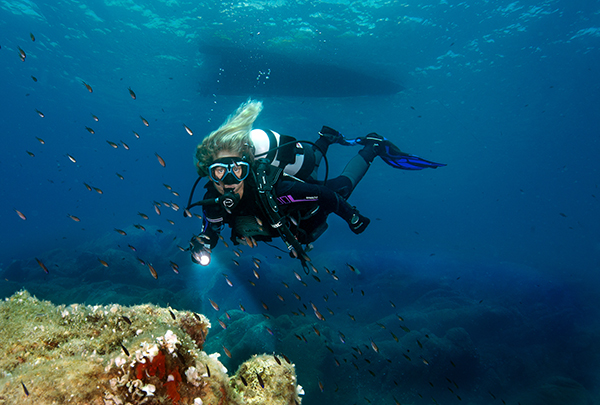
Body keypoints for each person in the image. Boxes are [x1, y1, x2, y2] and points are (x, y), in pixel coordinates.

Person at [187, 99, 445, 269]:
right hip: (286, 216)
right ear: (209, 176)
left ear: (248, 168)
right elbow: (212, 230)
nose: (229, 181)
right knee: (315, 166)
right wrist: (202, 243)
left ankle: (372, 148)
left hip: (305, 207)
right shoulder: (213, 205)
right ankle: (326, 139)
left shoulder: (277, 192)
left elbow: (323, 195)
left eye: (238, 170)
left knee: (341, 186)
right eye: (220, 171)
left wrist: (352, 216)